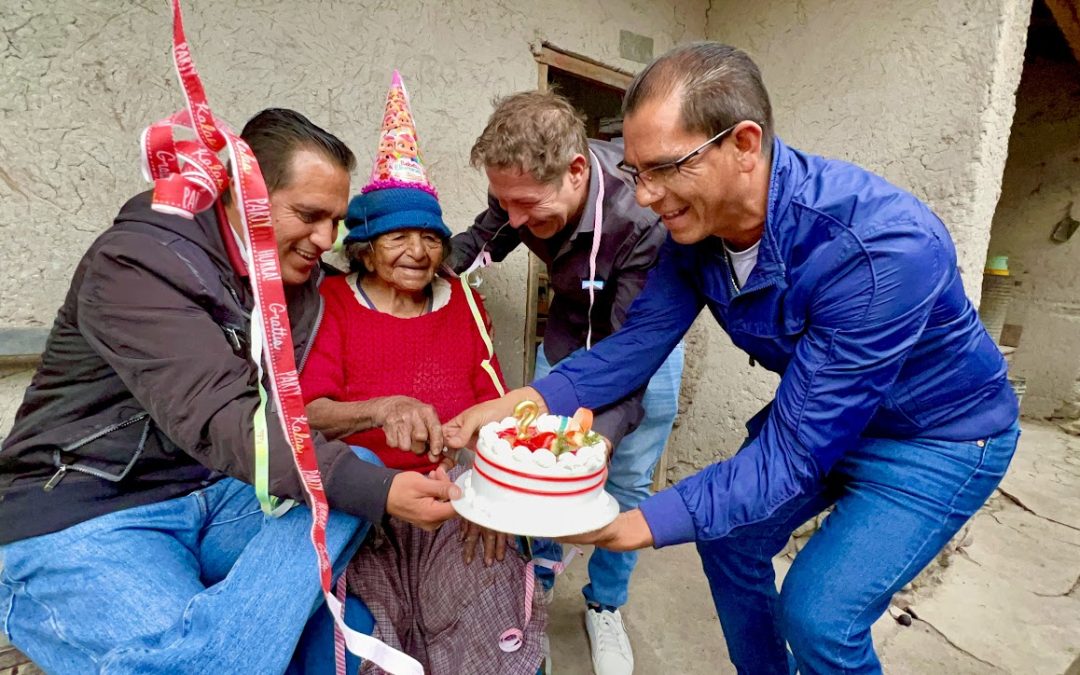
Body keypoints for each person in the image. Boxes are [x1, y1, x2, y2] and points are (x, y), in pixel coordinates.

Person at [445, 42, 1021, 674]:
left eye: (664, 168)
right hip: (827, 409)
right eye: (636, 171)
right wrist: (519, 402)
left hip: (937, 437)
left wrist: (623, 527)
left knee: (820, 616)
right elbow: (636, 344)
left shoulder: (880, 248)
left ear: (744, 144)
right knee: (728, 540)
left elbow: (795, 455)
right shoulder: (697, 233)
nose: (646, 195)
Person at [0, 108, 459, 674]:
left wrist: (386, 424)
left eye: (336, 221)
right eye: (309, 215)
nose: (325, 239)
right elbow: (224, 416)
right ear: (242, 193)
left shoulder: (291, 277)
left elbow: (386, 289)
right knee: (356, 488)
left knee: (357, 475)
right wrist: (382, 490)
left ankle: (211, 649)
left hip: (210, 495)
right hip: (88, 507)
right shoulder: (136, 263)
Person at [299, 72, 545, 675]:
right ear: (365, 246)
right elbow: (307, 412)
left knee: (484, 602)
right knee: (374, 632)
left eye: (431, 237)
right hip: (364, 498)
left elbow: (496, 409)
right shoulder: (333, 301)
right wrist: (383, 408)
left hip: (455, 493)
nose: (418, 251)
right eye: (398, 237)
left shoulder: (463, 302)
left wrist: (489, 497)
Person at [447, 91, 682, 675]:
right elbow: (485, 237)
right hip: (565, 341)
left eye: (527, 204)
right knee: (537, 474)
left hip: (641, 344)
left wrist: (592, 442)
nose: (514, 218)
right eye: (504, 201)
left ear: (577, 170)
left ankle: (605, 604)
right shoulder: (516, 193)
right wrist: (423, 266)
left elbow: (629, 358)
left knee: (623, 479)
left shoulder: (643, 219)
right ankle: (539, 579)